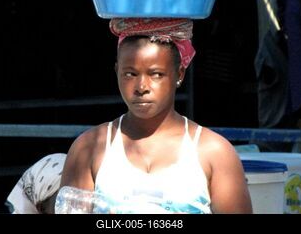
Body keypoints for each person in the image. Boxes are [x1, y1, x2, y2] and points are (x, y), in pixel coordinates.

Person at [59, 18, 252, 214]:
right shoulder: (89, 148)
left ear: (179, 74)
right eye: (130, 74)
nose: (141, 87)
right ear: (117, 71)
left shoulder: (214, 152)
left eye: (156, 74)